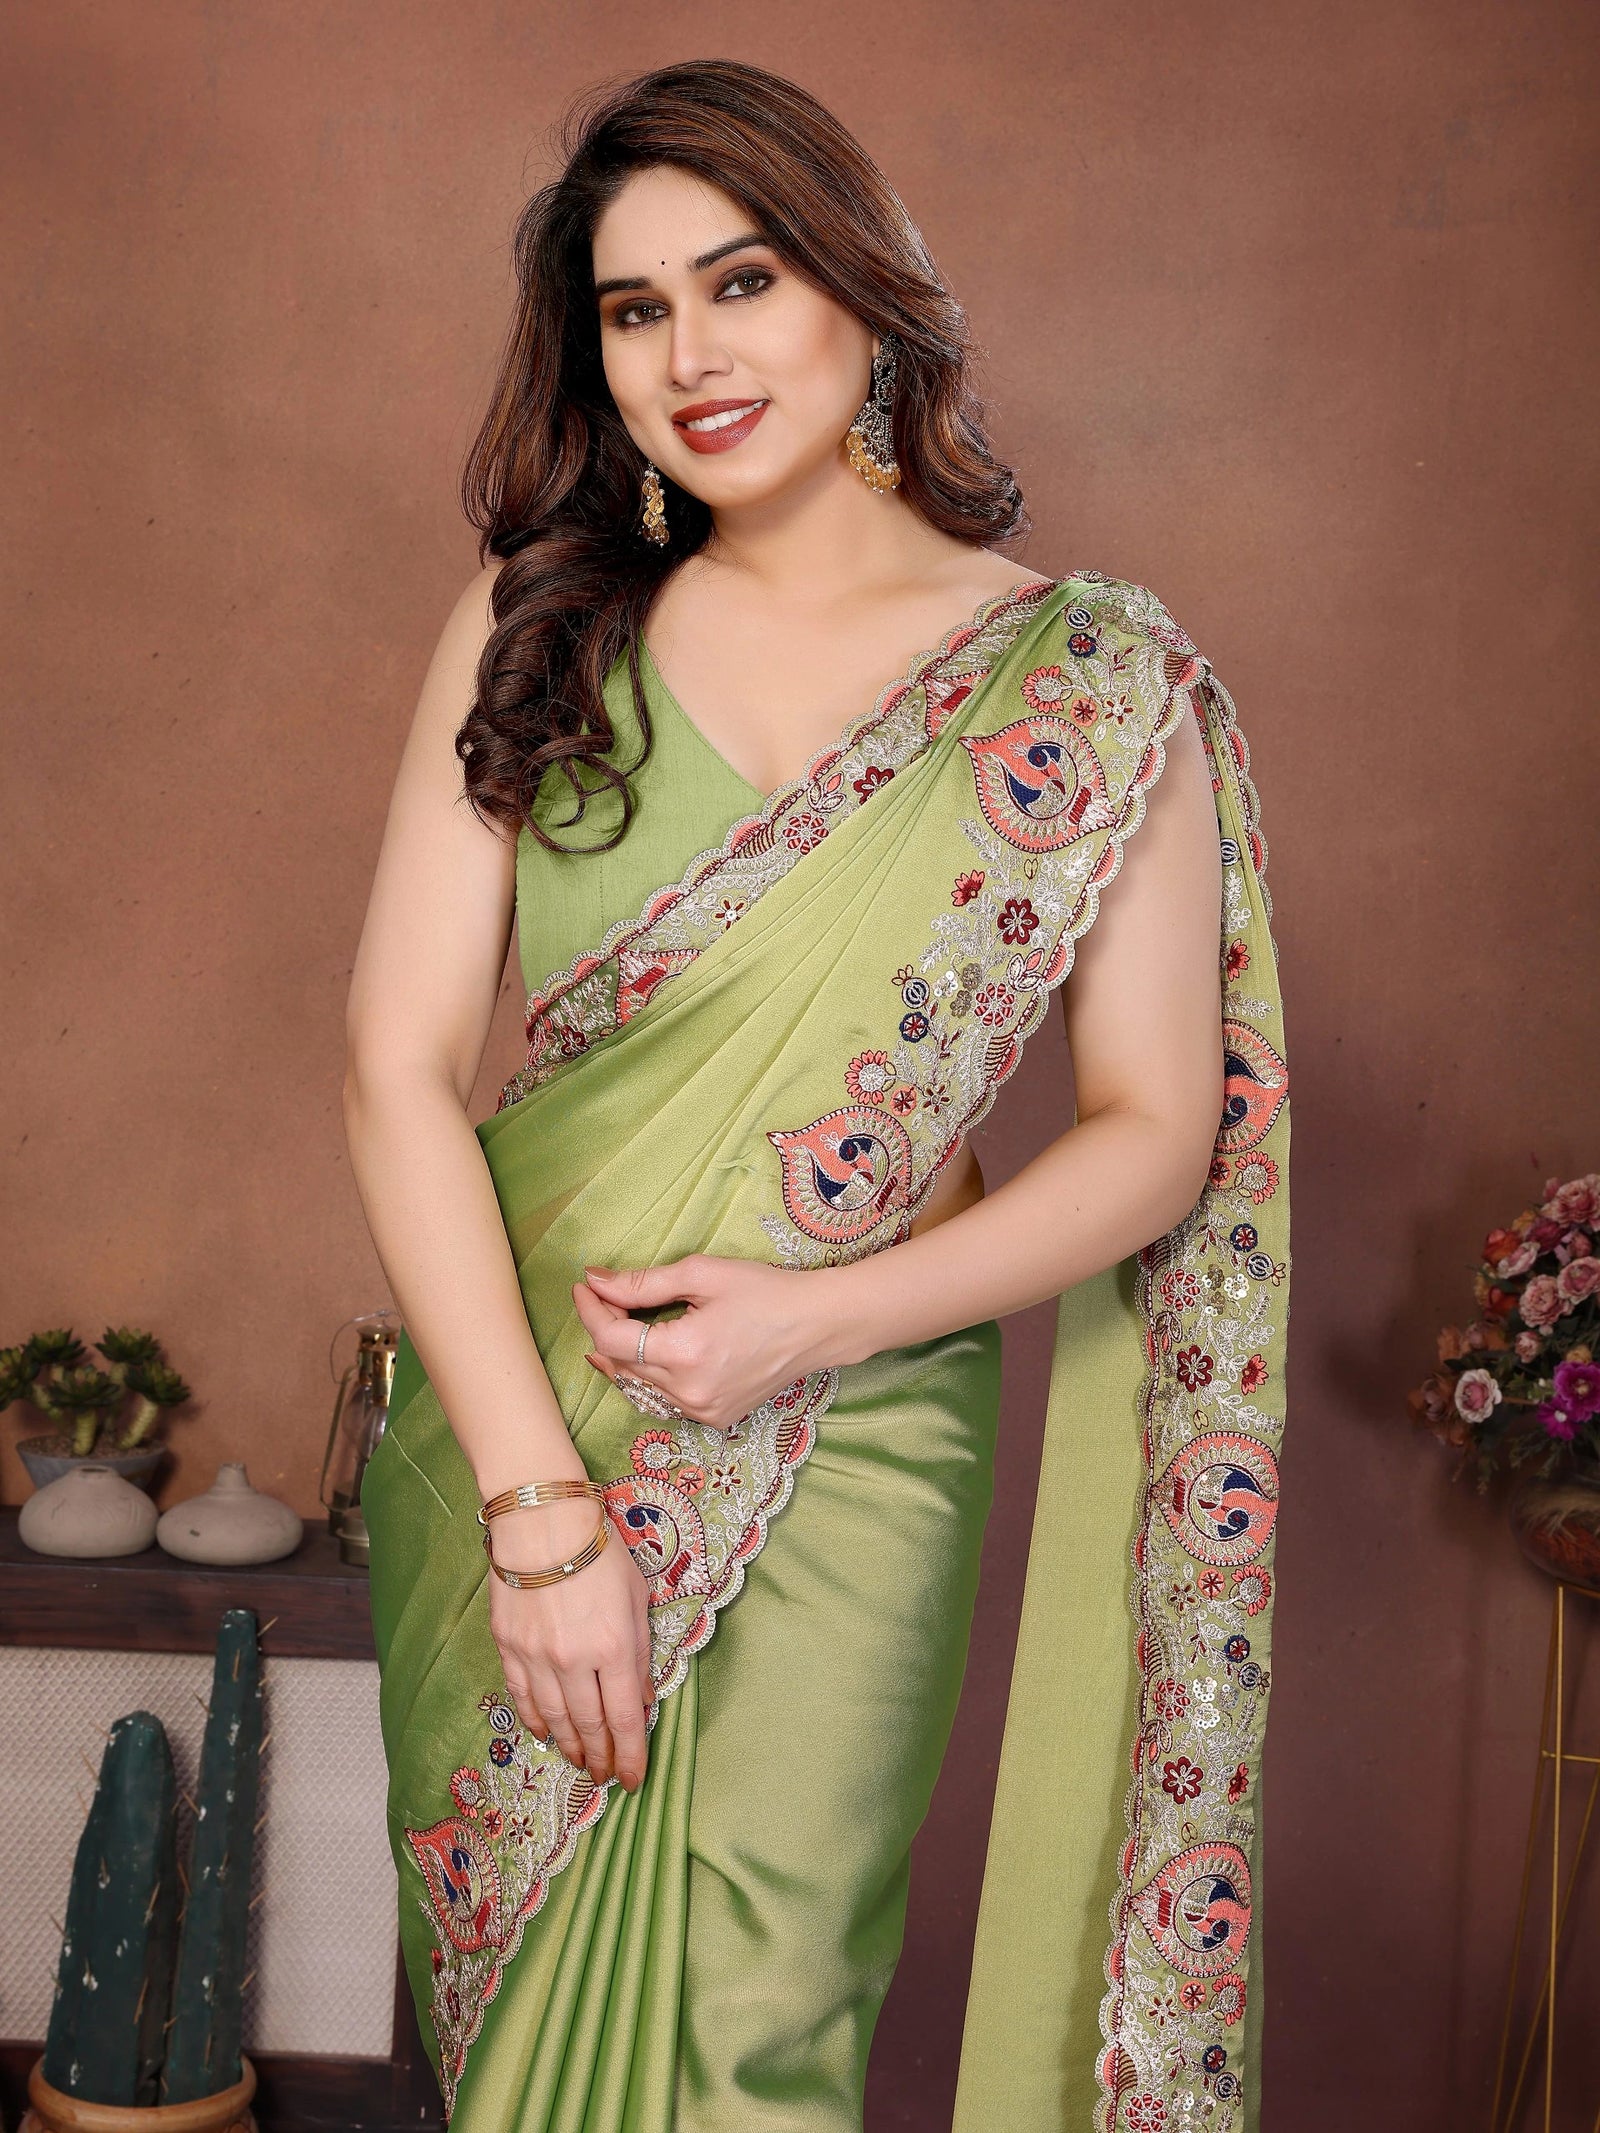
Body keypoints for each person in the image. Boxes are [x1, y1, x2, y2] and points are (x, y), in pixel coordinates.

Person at [344, 58, 1289, 2133]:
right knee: (520, 2043)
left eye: (743, 280)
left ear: (865, 293)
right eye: (632, 308)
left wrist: (816, 1318)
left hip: (861, 1425)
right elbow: (394, 1071)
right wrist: (535, 1512)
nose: (690, 354)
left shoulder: (1080, 676)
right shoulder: (535, 628)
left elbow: (1157, 1129)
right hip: (526, 1423)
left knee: (771, 2018)